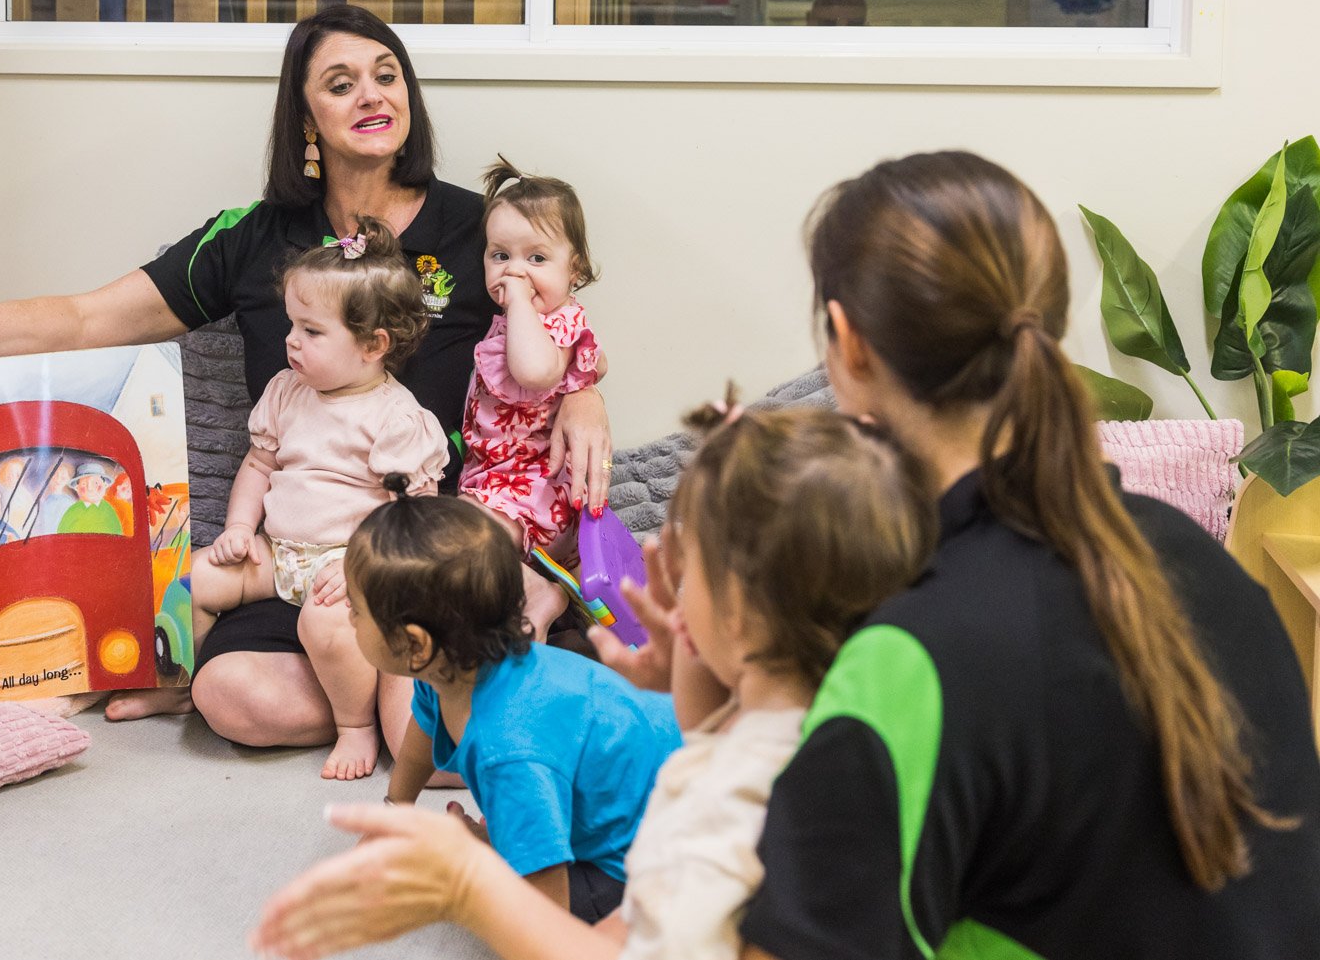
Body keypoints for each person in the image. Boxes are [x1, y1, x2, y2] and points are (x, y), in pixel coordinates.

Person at [252, 150, 1320, 960]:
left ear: (845, 345)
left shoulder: (913, 657)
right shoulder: (1187, 547)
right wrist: (703, 682)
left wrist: (466, 885)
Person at [0, 3, 613, 743]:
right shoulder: (251, 239)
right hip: (298, 556)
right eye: (341, 82)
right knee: (230, 696)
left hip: (431, 549)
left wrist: (584, 397)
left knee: (461, 650)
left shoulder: (481, 229)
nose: (373, 94)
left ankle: (405, 704)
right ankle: (396, 708)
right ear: (305, 118)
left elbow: (551, 323)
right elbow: (89, 318)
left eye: (387, 74)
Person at [251, 403, 936, 959]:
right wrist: (399, 814)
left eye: (680, 564)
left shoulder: (705, 813)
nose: (651, 567)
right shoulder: (752, 724)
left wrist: (470, 884)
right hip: (641, 806)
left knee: (524, 881)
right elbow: (420, 739)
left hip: (618, 856)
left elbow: (560, 929)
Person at [193, 218, 448, 781]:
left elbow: (411, 515)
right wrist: (238, 527)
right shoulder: (288, 391)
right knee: (191, 581)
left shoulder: (397, 418)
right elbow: (259, 465)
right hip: (278, 553)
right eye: (291, 324)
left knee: (326, 621)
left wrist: (359, 563)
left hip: (350, 569)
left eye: (311, 330)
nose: (290, 341)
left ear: (372, 345)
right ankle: (180, 685)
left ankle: (354, 725)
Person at [358, 488, 680, 924]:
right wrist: (397, 809)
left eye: (356, 610)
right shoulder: (453, 670)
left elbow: (547, 921)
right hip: (644, 787)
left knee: (496, 905)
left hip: (666, 845)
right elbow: (421, 728)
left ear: (415, 645)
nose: (347, 614)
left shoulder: (508, 750)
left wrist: (483, 867)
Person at [460, 159, 605, 639]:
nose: (514, 272)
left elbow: (536, 371)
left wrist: (520, 303)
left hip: (530, 490)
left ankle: (541, 595)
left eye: (536, 259)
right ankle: (546, 601)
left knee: (462, 541)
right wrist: (580, 379)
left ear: (575, 269)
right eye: (500, 256)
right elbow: (595, 364)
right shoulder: (530, 321)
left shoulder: (554, 322)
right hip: (497, 479)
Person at [58, 461, 126, 535]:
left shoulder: (108, 510)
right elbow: (61, 534)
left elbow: (118, 534)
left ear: (105, 485)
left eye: (96, 483)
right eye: (84, 484)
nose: (90, 488)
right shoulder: (73, 511)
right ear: (77, 488)